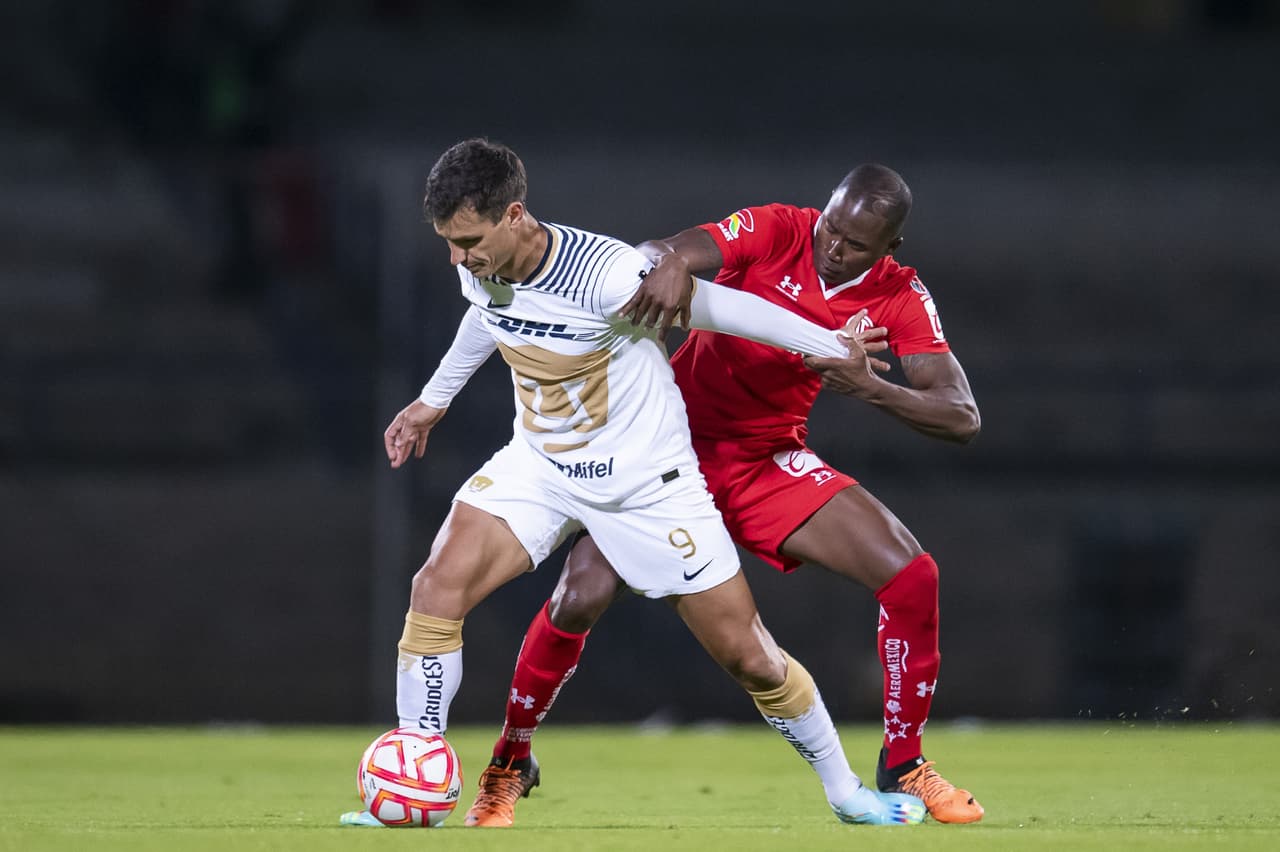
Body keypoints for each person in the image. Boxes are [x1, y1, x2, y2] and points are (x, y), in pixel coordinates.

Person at [340, 139, 925, 828]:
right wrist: (432, 401)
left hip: (646, 487)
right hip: (540, 467)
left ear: (514, 216)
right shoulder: (481, 266)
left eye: (467, 241)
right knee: (436, 587)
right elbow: (486, 315)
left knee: (751, 657)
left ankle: (846, 792)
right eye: (448, 242)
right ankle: (418, 773)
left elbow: (731, 311)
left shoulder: (609, 274)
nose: (456, 258)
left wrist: (833, 347)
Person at [466, 164, 985, 827]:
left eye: (855, 243)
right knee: (578, 597)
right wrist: (665, 262)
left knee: (912, 575)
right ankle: (511, 760)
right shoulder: (780, 229)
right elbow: (666, 252)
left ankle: (903, 763)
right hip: (665, 452)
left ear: (891, 247)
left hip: (764, 459)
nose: (832, 247)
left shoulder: (900, 295)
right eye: (831, 227)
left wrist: (871, 388)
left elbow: (961, 416)